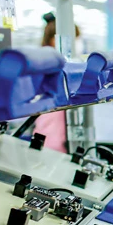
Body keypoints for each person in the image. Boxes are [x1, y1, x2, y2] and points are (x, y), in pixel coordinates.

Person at [33, 13, 80, 154]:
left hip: (52, 129)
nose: (75, 44)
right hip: (51, 133)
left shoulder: (55, 62)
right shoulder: (48, 63)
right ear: (56, 40)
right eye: (74, 39)